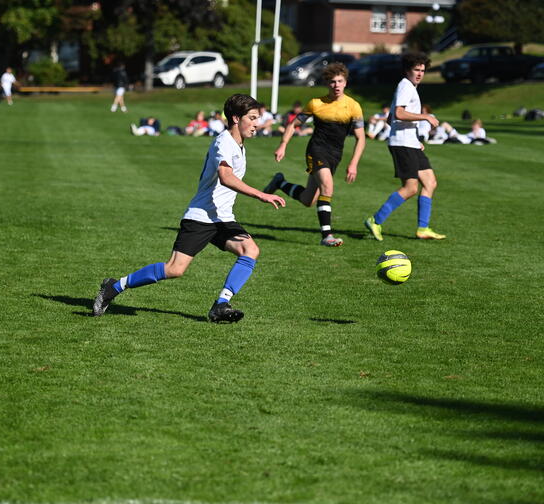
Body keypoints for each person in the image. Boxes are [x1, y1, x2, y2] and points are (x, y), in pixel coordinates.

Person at [92, 94, 286, 323]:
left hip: (222, 218)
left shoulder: (239, 145)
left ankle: (221, 305)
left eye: (258, 118)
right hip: (201, 217)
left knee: (250, 250)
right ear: (236, 118)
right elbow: (225, 177)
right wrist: (261, 194)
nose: (257, 123)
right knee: (174, 269)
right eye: (252, 118)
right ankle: (114, 287)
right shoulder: (223, 142)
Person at [263, 62, 366, 247]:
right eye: (332, 82)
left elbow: (361, 138)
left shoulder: (353, 106)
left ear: (346, 82)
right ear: (327, 83)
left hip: (336, 154)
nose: (336, 85)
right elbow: (293, 124)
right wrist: (283, 145)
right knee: (328, 187)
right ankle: (327, 236)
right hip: (317, 150)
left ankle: (280, 182)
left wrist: (354, 164)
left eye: (340, 81)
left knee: (308, 200)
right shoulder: (316, 103)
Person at [364, 52, 446, 241]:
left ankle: (423, 229)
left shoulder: (409, 87)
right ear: (407, 70)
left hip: (409, 143)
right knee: (410, 188)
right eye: (416, 70)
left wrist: (413, 138)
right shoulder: (406, 86)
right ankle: (375, 220)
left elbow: (391, 118)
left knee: (430, 182)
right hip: (403, 144)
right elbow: (400, 113)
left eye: (422, 70)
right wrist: (425, 116)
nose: (419, 73)